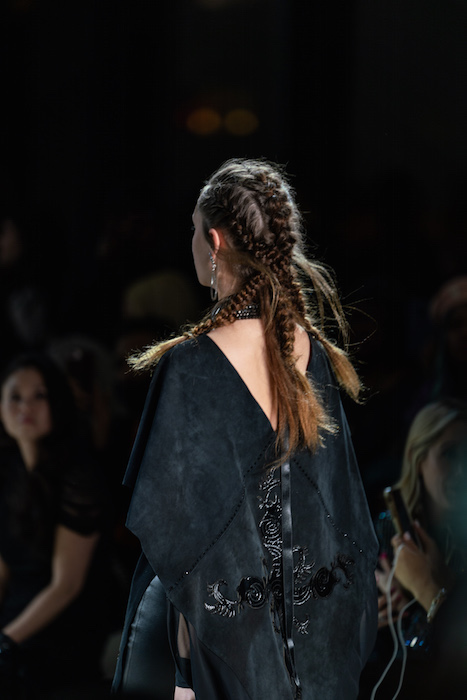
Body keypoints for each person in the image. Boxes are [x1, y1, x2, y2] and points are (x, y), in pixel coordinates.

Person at [112, 158, 378, 700]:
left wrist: (185, 676)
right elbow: (338, 522)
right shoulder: (314, 355)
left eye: (193, 229)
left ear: (214, 241)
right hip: (308, 644)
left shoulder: (191, 364)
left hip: (215, 646)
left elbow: (183, 538)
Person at [0, 352, 114, 698]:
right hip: (16, 618)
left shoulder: (79, 475)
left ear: (58, 403)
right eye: (15, 396)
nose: (25, 406)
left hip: (63, 628)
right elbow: (3, 570)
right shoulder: (9, 473)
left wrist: (5, 640)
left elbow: (66, 586)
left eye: (40, 395)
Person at [363, 399, 467, 698]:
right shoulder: (384, 530)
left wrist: (426, 592)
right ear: (417, 459)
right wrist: (371, 614)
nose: (462, 471)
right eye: (449, 454)